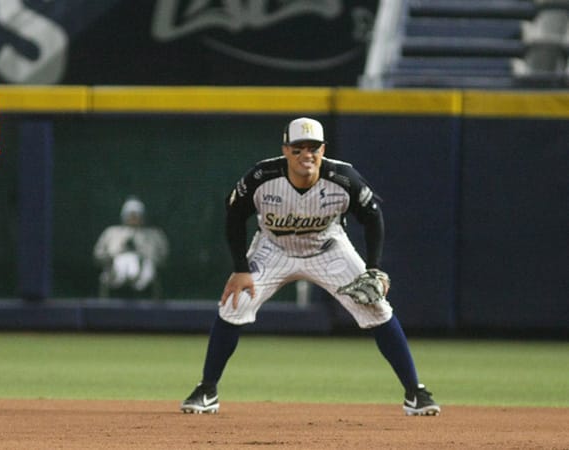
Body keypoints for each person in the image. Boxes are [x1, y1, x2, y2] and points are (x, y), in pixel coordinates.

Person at [180, 117, 440, 416]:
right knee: (234, 304)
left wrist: (374, 268)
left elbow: (373, 217)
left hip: (328, 250)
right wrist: (240, 268)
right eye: (298, 148)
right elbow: (235, 216)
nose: (306, 154)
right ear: (285, 150)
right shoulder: (262, 176)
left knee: (377, 307)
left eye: (313, 148)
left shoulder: (343, 177)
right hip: (272, 249)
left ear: (323, 149)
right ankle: (207, 389)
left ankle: (415, 393)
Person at [93, 196, 170, 299]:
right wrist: (111, 257)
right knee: (121, 264)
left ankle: (136, 277)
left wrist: (144, 254)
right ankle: (122, 276)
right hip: (116, 265)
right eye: (130, 215)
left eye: (136, 215)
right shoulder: (111, 232)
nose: (133, 218)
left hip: (145, 265)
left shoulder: (154, 234)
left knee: (141, 267)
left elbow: (163, 256)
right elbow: (98, 254)